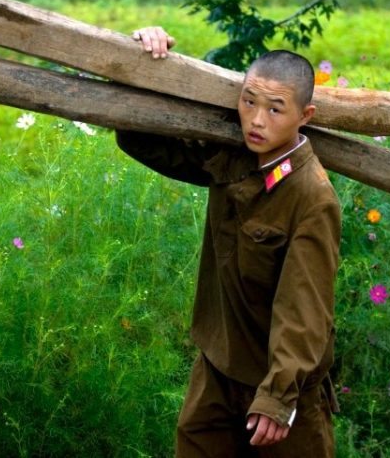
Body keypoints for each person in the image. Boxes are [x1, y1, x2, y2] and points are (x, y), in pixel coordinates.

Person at [117, 26, 341, 457]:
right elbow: (143, 140)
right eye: (248, 101)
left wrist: (278, 397)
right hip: (218, 368)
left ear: (304, 116)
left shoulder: (311, 197)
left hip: (281, 385)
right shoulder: (232, 156)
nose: (257, 120)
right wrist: (142, 61)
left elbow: (305, 307)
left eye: (276, 109)